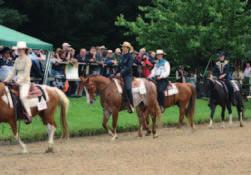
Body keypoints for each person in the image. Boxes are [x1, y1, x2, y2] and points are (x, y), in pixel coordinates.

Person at [4, 41, 32, 124]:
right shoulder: (17, 59)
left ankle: (29, 115)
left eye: (20, 49)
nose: (19, 50)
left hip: (25, 82)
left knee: (23, 97)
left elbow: (26, 73)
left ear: (24, 49)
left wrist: (18, 82)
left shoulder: (28, 60)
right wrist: (6, 80)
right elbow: (12, 72)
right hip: (16, 80)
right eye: (18, 49)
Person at [116, 41, 135, 113]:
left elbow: (128, 67)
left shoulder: (130, 56)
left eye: (124, 47)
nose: (123, 48)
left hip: (127, 75)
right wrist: (115, 73)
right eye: (122, 47)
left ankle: (131, 104)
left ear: (128, 48)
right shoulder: (122, 56)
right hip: (120, 75)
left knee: (128, 88)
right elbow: (119, 66)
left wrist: (120, 73)